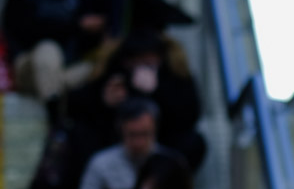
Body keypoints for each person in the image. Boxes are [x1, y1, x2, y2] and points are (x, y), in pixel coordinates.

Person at [69, 30, 206, 172]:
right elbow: (74, 108)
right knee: (80, 134)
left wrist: (158, 92)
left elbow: (190, 116)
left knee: (193, 142)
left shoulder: (175, 73)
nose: (141, 67)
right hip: (116, 147)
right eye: (136, 62)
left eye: (148, 62)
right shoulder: (112, 70)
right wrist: (103, 101)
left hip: (160, 147)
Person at [1, 0, 97, 105]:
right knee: (48, 50)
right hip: (29, 64)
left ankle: (55, 100)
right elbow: (27, 30)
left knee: (98, 67)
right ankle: (54, 115)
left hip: (66, 63)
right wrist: (76, 26)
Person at [73, 98, 162, 189]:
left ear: (155, 130)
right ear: (121, 131)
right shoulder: (101, 164)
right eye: (132, 134)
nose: (139, 142)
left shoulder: (169, 163)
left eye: (145, 134)